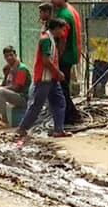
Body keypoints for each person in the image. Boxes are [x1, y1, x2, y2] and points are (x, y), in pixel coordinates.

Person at [16, 9, 71, 139]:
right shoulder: (46, 40)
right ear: (56, 29)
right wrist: (57, 72)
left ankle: (59, 129)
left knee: (59, 102)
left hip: (51, 78)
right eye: (62, 30)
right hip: (44, 78)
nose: (63, 33)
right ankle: (22, 128)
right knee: (37, 104)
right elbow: (46, 61)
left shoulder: (49, 39)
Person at [50, 0, 84, 125]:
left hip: (66, 55)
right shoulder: (71, 10)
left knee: (61, 88)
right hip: (72, 53)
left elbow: (63, 39)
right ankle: (70, 115)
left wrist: (57, 58)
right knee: (64, 87)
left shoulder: (64, 15)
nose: (52, 1)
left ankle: (71, 115)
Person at [0, 46, 32, 128]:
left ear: (15, 55)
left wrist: (0, 88)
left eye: (11, 55)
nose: (9, 58)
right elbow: (4, 83)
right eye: (6, 56)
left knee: (0, 91)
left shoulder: (21, 68)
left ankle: (2, 119)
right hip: (13, 95)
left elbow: (17, 88)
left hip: (23, 98)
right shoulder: (8, 68)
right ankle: (0, 118)